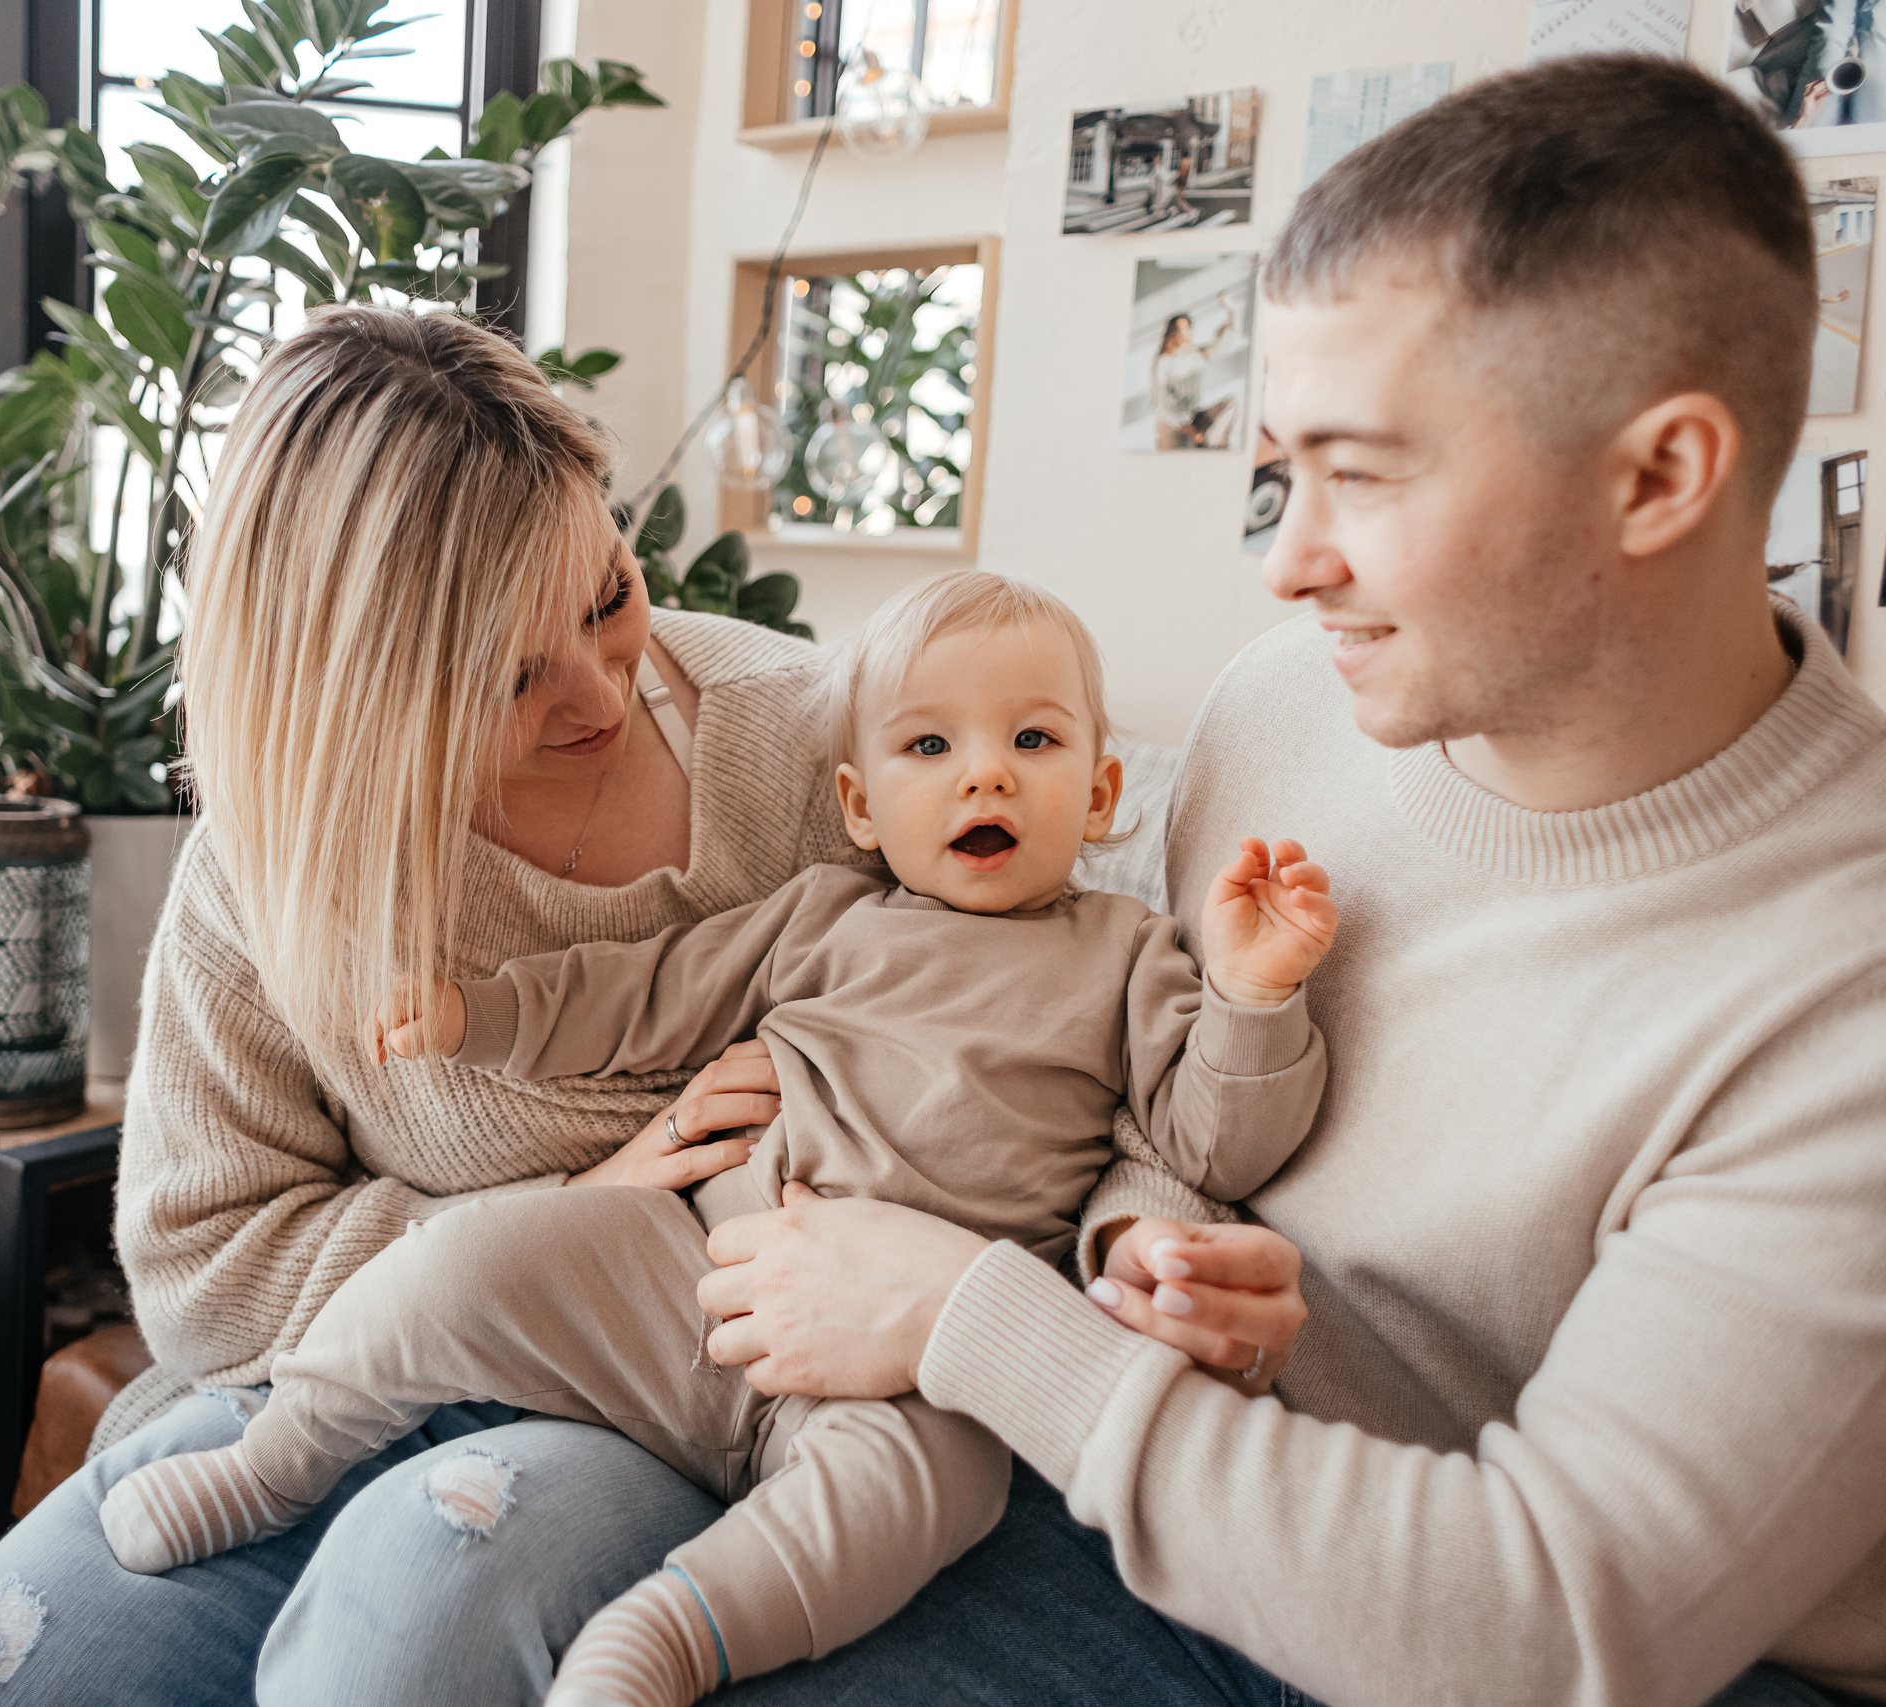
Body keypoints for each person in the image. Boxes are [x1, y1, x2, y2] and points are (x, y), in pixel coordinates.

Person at [680, 54, 1886, 1707]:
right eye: (1281, 466)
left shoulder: (1849, 991)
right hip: (1208, 1497)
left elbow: (1555, 1621)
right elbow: (1168, 1126)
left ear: (1659, 477)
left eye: (1364, 472)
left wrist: (980, 1313)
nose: (1287, 557)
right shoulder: (1288, 705)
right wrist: (1153, 1255)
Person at [0, 312, 1258, 1705]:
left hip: (689, 1385)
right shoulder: (275, 870)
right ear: (353, 694)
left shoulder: (830, 744)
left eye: (607, 594)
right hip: (351, 1364)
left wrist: (1130, 1239)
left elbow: (1082, 1022)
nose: (600, 687)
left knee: (418, 1601)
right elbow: (206, 1271)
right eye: (510, 674)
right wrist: (584, 1195)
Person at [95, 570, 1336, 1707]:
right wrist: (475, 1017)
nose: (984, 776)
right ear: (855, 802)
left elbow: (1212, 1144)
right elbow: (631, 995)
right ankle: (275, 1463)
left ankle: (667, 1642)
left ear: (1106, 791)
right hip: (691, 1275)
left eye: (1032, 740)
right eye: (928, 746)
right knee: (465, 1264)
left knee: (933, 1496)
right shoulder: (819, 920)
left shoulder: (1133, 959)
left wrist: (1254, 997)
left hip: (908, 1368)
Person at [1150, 296, 1240, 451]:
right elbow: (1159, 401)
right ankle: (1203, 441)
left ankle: (1213, 443)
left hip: (1197, 417)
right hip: (1174, 422)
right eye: (1183, 328)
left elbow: (1226, 342)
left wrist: (1231, 308)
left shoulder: (1196, 355)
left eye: (1189, 327)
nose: (1187, 332)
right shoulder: (1163, 362)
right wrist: (1181, 425)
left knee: (1231, 404)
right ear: (1173, 333)